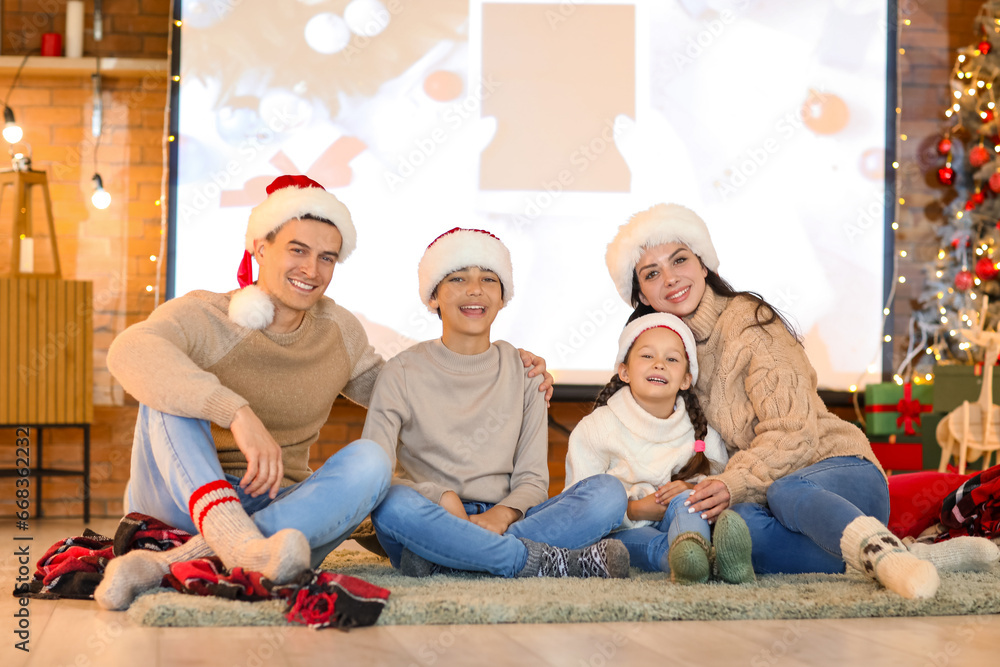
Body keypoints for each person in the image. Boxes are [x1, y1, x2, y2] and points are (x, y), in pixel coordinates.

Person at [93, 176, 556, 611]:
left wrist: (503, 369)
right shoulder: (206, 314)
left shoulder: (337, 332)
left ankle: (177, 564)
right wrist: (235, 412)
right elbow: (130, 351)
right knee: (167, 391)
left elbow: (404, 389)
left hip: (282, 511)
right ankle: (230, 545)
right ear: (260, 247)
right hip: (177, 497)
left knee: (371, 460)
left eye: (327, 257)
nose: (311, 270)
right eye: (297, 250)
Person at [603, 203, 1000, 599]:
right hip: (764, 493)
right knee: (735, 530)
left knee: (784, 490)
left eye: (680, 260)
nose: (670, 279)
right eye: (652, 273)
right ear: (642, 295)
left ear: (704, 264)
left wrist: (732, 482)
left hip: (841, 474)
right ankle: (904, 556)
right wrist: (699, 487)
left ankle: (886, 555)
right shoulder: (667, 359)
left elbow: (793, 434)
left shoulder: (750, 323)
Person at [365, 228, 630, 579]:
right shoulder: (400, 371)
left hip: (506, 518)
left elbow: (533, 480)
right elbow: (374, 471)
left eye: (488, 279)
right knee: (390, 506)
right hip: (431, 512)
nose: (475, 289)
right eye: (458, 278)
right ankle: (537, 560)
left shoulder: (525, 373)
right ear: (433, 297)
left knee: (608, 493)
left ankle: (447, 556)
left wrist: (501, 515)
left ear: (503, 297)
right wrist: (441, 497)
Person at [564, 312, 754, 584]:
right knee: (652, 545)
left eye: (672, 359)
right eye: (647, 356)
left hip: (684, 521)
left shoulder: (701, 433)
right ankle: (697, 563)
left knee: (685, 503)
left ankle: (702, 555)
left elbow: (718, 483)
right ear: (624, 371)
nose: (659, 365)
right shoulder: (595, 429)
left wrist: (692, 491)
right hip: (623, 531)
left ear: (686, 380)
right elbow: (578, 506)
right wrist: (636, 509)